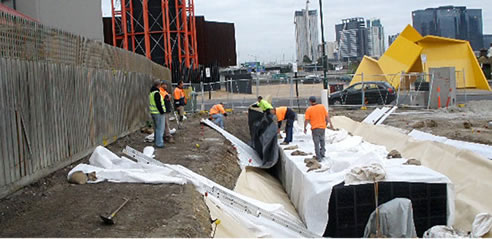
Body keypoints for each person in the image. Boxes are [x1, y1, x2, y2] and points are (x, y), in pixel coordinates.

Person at [304, 96, 334, 161]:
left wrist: (305, 128)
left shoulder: (309, 109)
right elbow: (327, 116)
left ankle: (319, 157)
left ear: (310, 101)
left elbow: (306, 120)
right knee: (322, 140)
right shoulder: (322, 107)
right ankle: (322, 153)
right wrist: (330, 124)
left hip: (315, 128)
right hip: (322, 127)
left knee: (316, 143)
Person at [149, 80, 166, 148]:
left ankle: (156, 141)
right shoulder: (156, 93)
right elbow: (158, 103)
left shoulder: (151, 93)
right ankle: (159, 143)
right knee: (160, 128)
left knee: (156, 128)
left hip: (153, 112)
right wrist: (162, 111)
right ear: (158, 85)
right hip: (158, 113)